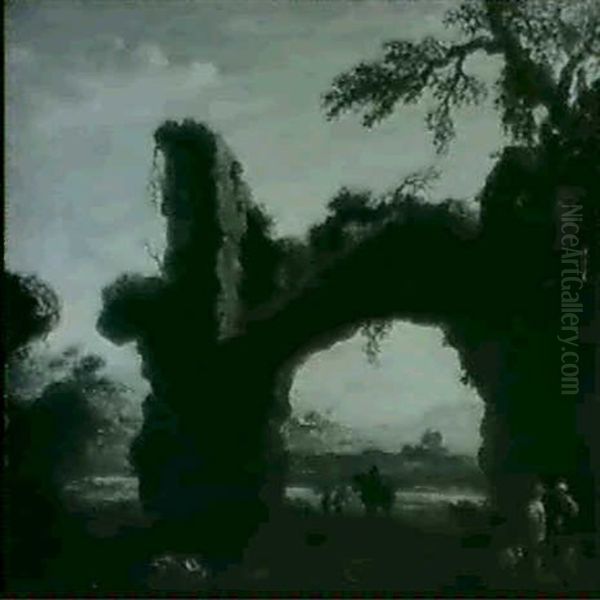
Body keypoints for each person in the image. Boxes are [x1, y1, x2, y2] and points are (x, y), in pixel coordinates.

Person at [545, 478, 579, 585]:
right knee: (558, 558)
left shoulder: (570, 502)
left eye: (562, 491)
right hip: (556, 535)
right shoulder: (551, 502)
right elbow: (549, 517)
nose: (560, 494)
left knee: (569, 558)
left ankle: (570, 579)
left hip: (568, 534)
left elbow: (574, 513)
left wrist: (570, 503)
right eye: (558, 491)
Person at [523, 479, 547, 581]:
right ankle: (535, 576)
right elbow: (532, 520)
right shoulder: (532, 505)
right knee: (535, 554)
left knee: (538, 554)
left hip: (540, 533)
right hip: (535, 534)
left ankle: (537, 573)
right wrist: (538, 533)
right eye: (539, 489)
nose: (542, 490)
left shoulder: (539, 504)